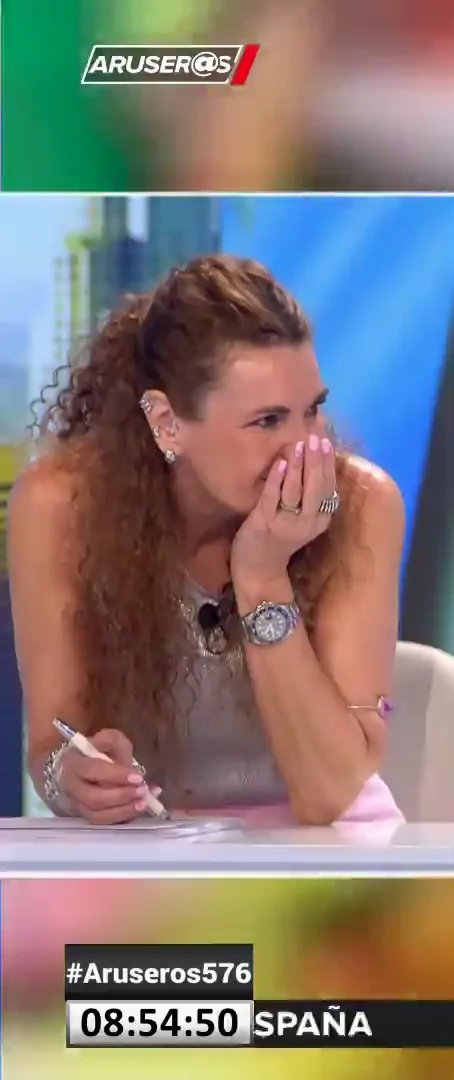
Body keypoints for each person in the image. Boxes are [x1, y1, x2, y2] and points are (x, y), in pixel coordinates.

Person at [8, 254, 409, 826]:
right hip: (147, 844)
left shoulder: (362, 504)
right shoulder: (60, 507)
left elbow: (333, 794)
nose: (305, 449)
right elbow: (52, 745)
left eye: (312, 411)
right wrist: (74, 780)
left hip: (317, 843)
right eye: (268, 421)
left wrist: (264, 578)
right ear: (167, 422)